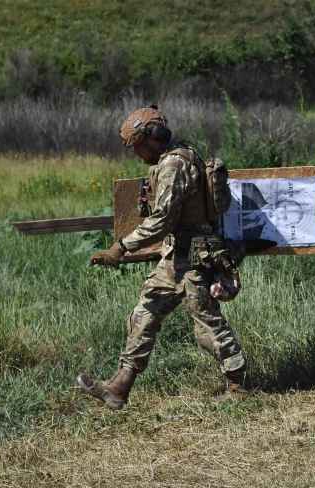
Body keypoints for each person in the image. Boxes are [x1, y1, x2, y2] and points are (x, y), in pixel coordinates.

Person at [77, 105, 245, 410]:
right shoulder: (174, 159)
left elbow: (162, 219)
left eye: (138, 147)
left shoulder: (174, 165)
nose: (138, 154)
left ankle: (238, 386)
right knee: (145, 313)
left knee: (208, 323)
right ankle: (119, 387)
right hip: (174, 257)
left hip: (195, 258)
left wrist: (121, 247)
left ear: (154, 138)